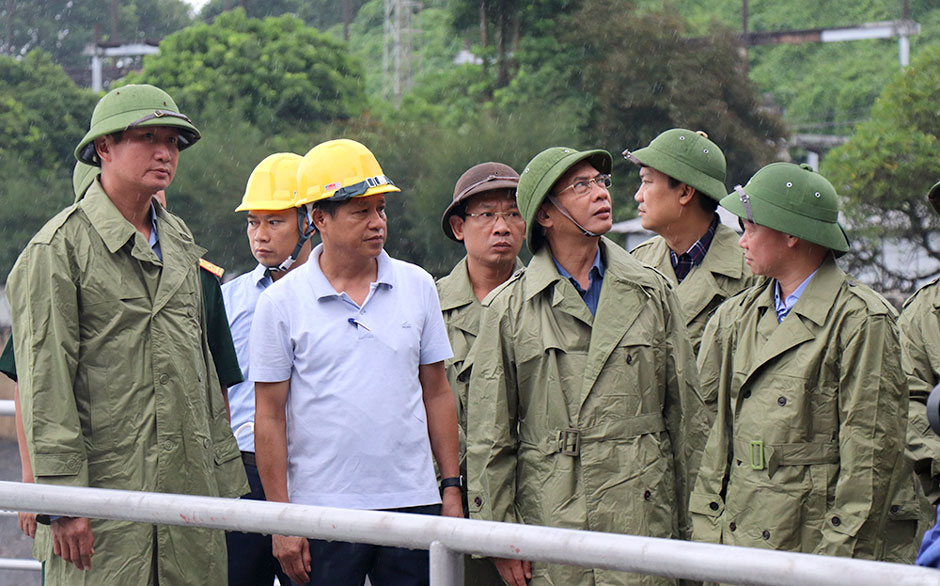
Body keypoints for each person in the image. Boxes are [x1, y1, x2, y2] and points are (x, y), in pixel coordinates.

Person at [6, 84, 248, 585]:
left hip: (188, 502)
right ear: (104, 149)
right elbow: (44, 383)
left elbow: (204, 377)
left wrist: (224, 483)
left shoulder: (180, 244)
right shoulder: (57, 251)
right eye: (147, 137)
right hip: (102, 511)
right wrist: (60, 500)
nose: (164, 152)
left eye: (173, 142)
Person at [465, 146, 707, 586]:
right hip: (554, 516)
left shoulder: (652, 292)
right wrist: (498, 534)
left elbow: (687, 420)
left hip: (642, 510)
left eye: (601, 183)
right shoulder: (510, 308)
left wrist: (698, 531)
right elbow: (489, 436)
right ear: (545, 215)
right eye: (581, 186)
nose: (600, 194)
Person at [251, 139, 462, 586]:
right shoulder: (281, 303)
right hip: (320, 510)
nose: (377, 223)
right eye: (360, 211)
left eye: (381, 209)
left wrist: (450, 489)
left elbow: (437, 393)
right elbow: (268, 417)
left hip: (412, 504)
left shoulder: (418, 285)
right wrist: (281, 519)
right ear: (319, 218)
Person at [690, 163, 907, 560]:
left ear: (791, 233)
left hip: (810, 541)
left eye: (752, 227)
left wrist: (836, 557)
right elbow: (709, 434)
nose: (742, 241)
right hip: (735, 535)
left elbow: (870, 456)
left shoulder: (861, 320)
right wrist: (707, 529)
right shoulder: (734, 317)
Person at [221, 152, 313, 586]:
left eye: (274, 222)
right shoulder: (231, 298)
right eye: (253, 222)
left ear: (309, 221)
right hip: (244, 471)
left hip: (314, 471)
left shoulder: (336, 295)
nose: (259, 235)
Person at [437, 162, 525, 585]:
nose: (502, 226)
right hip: (449, 500)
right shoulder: (429, 306)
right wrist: (447, 488)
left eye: (513, 213)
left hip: (531, 501)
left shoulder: (549, 301)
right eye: (486, 214)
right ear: (459, 227)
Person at [625, 129, 754, 356]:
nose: (639, 195)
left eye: (647, 182)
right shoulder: (635, 265)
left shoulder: (750, 272)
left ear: (685, 192)